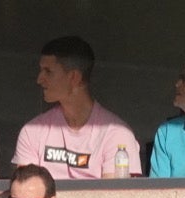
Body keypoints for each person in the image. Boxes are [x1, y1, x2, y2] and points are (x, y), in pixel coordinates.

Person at [13, 36, 140, 179]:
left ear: (74, 77)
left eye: (48, 71)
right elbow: (25, 194)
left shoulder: (117, 134)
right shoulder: (32, 131)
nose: (39, 79)